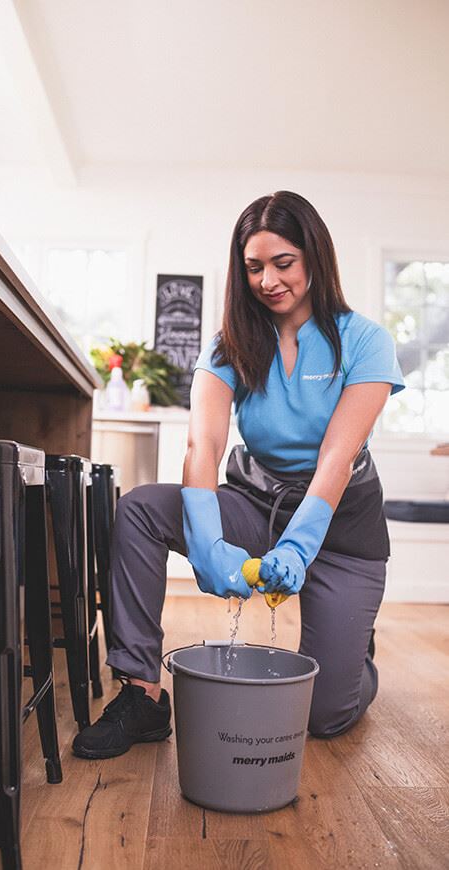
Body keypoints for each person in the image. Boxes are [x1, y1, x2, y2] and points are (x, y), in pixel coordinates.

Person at [73, 190, 404, 760]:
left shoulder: (366, 341)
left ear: (314, 259)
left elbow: (336, 458)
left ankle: (357, 660)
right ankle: (142, 692)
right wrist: (205, 545)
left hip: (341, 530)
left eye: (283, 263)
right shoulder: (230, 345)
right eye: (254, 267)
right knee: (143, 509)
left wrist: (299, 550)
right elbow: (203, 444)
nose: (269, 280)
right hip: (257, 503)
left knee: (325, 716)